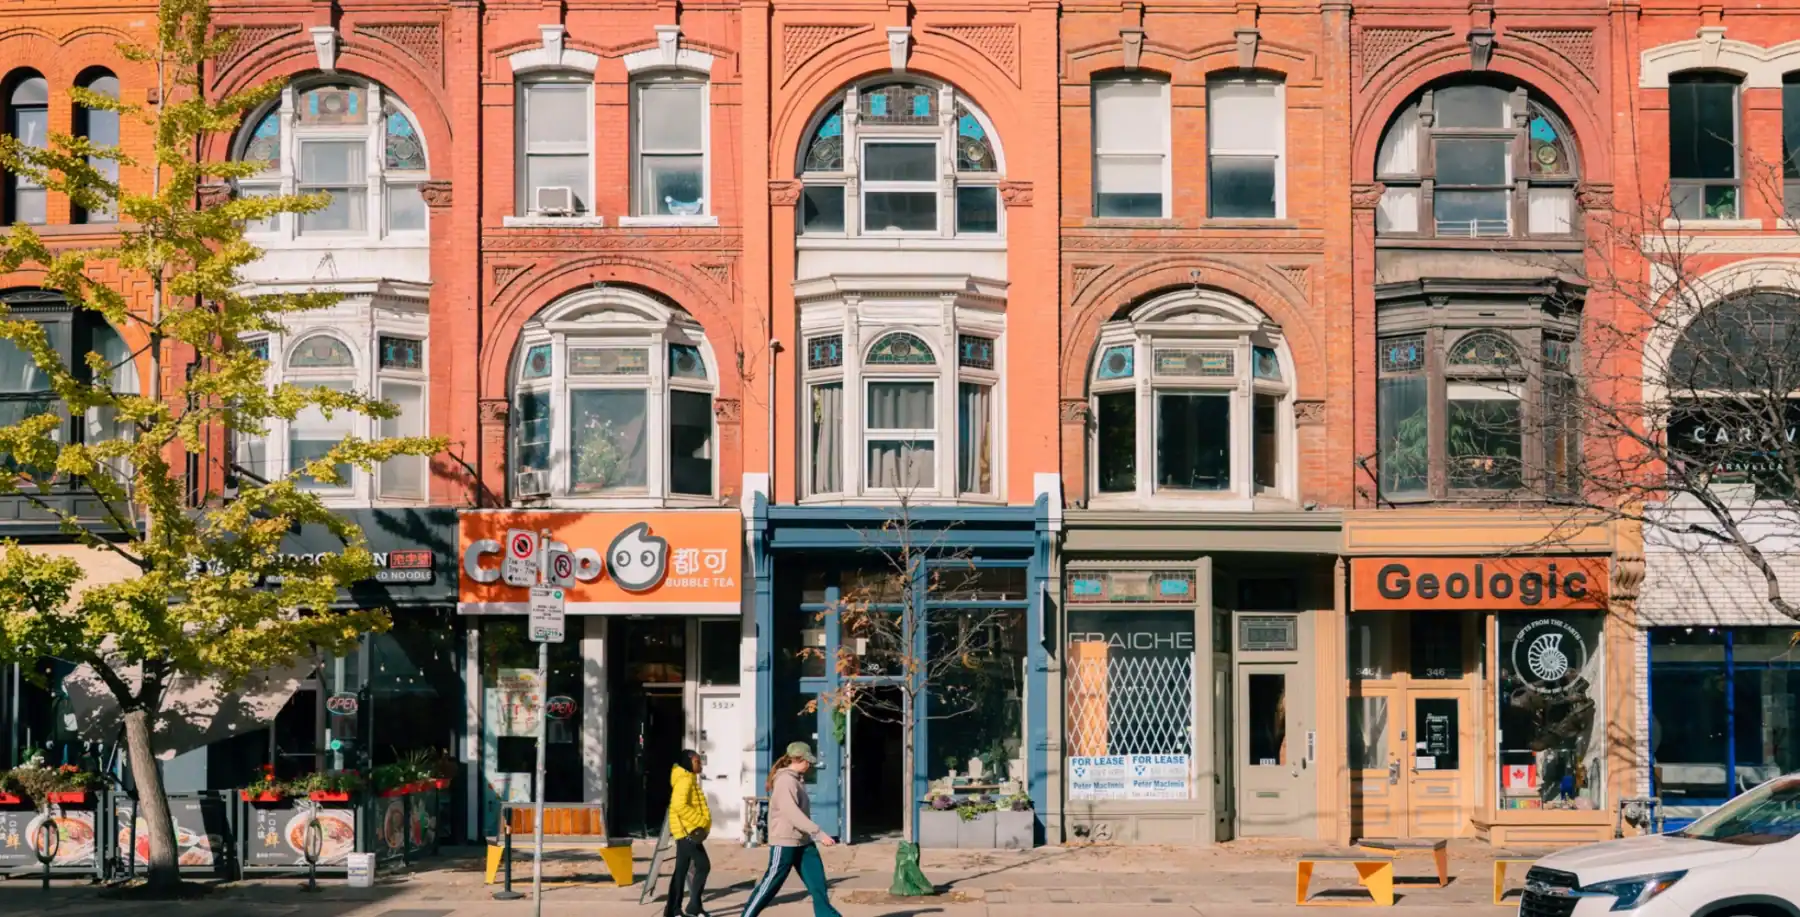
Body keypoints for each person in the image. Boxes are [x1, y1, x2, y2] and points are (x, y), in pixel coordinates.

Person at [741, 741, 841, 917]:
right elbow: (792, 813)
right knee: (770, 885)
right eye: (807, 761)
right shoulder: (785, 781)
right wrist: (818, 833)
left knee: (818, 886)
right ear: (797, 759)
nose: (809, 765)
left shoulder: (796, 780)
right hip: (785, 841)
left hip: (803, 842)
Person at [665, 748, 713, 917]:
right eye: (697, 761)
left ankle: (674, 910)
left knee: (681, 870)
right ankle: (692, 906)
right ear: (688, 762)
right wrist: (700, 821)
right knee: (703, 866)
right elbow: (678, 806)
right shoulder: (684, 780)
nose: (700, 764)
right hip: (687, 833)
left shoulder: (689, 778)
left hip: (685, 832)